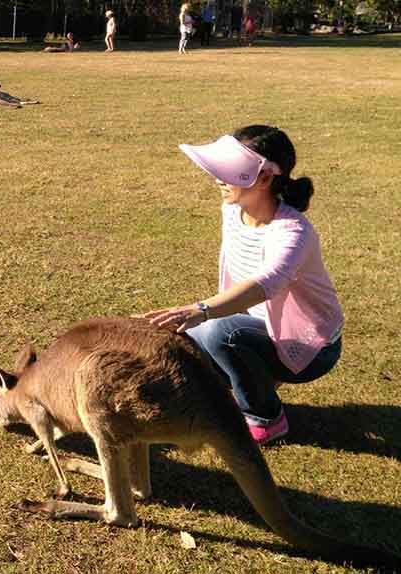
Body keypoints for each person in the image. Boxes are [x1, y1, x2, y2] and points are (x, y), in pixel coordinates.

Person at [144, 126, 343, 445]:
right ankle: (243, 386)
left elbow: (267, 282)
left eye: (229, 172)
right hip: (258, 327)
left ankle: (266, 418)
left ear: (264, 179)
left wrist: (202, 310)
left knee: (219, 332)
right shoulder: (232, 209)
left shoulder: (293, 232)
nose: (219, 180)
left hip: (314, 346)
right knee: (181, 338)